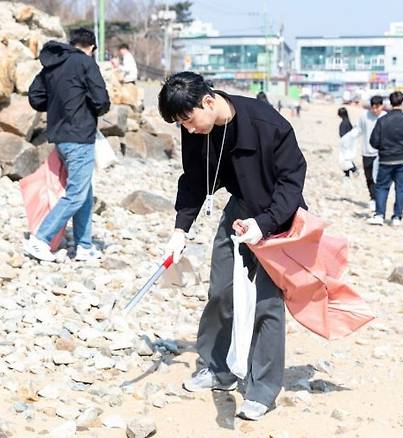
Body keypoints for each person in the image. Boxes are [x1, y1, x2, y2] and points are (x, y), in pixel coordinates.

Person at [158, 71, 307, 421]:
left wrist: (264, 224)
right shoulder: (196, 128)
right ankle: (216, 368)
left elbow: (292, 183)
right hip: (239, 208)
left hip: (278, 215)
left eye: (189, 119)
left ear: (207, 101)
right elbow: (194, 180)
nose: (189, 129)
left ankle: (262, 389)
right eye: (181, 123)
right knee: (221, 290)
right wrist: (180, 230)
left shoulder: (268, 124)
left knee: (267, 303)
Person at [25, 28, 110, 261]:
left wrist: (57, 106)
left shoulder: (52, 63)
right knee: (76, 194)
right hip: (79, 137)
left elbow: (35, 97)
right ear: (92, 47)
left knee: (84, 190)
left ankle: (84, 245)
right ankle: (40, 239)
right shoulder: (85, 63)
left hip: (60, 138)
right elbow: (101, 101)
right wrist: (88, 109)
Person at [367, 91, 403, 226]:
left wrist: (383, 149)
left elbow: (373, 141)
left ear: (390, 103)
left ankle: (379, 214)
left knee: (382, 187)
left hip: (386, 159)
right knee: (401, 189)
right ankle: (397, 217)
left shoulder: (382, 120)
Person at [356, 95, 386, 211]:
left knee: (379, 178)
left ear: (382, 106)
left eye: (377, 107)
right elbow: (358, 129)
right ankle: (373, 198)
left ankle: (378, 199)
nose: (374, 110)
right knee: (369, 178)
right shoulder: (364, 116)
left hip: (380, 153)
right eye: (372, 108)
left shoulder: (385, 117)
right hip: (366, 152)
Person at [337, 107, 357, 177]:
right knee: (346, 158)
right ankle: (347, 173)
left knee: (344, 159)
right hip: (349, 143)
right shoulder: (348, 121)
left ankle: (353, 170)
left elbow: (342, 134)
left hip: (345, 144)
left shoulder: (343, 123)